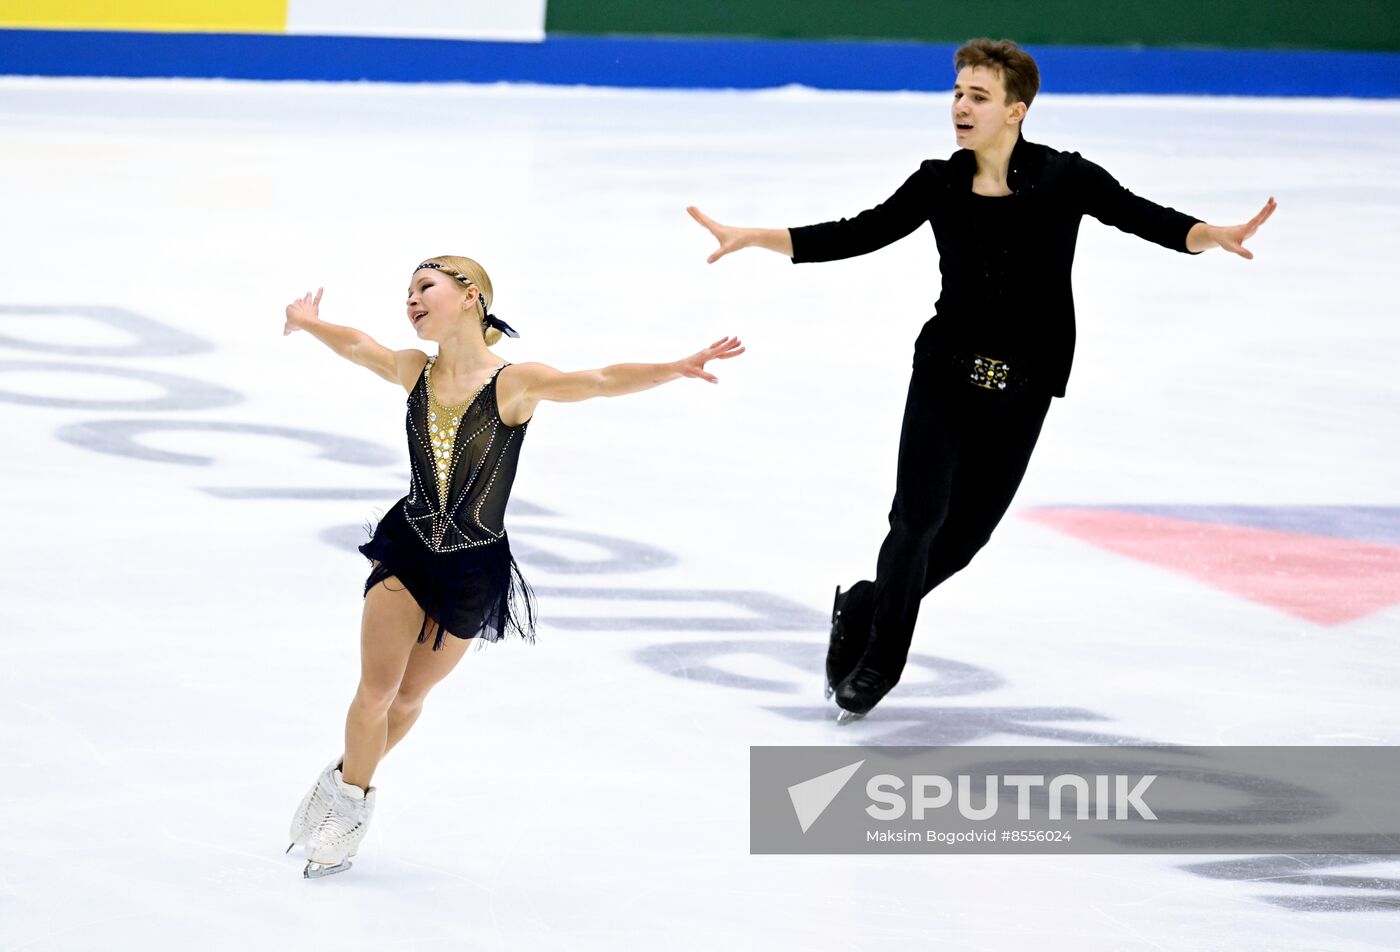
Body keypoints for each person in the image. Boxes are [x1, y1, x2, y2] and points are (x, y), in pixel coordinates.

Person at [687, 38, 1276, 723]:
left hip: (1026, 384)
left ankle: (867, 604)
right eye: (958, 92)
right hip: (944, 372)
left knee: (964, 539)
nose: (961, 106)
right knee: (917, 519)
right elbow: (860, 232)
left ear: (1016, 111)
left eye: (979, 96)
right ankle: (882, 659)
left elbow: (1147, 218)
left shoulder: (1065, 178)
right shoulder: (937, 181)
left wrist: (1214, 234)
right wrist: (759, 236)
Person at [280, 255, 744, 877]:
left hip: (475, 568)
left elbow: (601, 379)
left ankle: (342, 775)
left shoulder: (514, 384)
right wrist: (308, 322)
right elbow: (357, 345)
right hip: (408, 547)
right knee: (377, 692)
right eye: (407, 293)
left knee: (411, 697)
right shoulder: (412, 368)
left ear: (470, 296)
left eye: (425, 288)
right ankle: (351, 806)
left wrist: (675, 368)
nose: (411, 301)